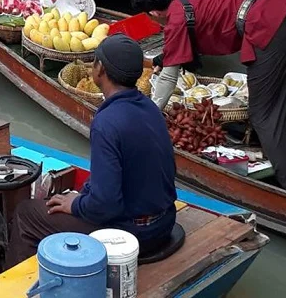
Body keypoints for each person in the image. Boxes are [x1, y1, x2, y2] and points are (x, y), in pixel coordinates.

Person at [9, 35, 176, 263]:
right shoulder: (150, 108)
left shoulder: (106, 122)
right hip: (164, 222)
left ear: (101, 71)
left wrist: (76, 204)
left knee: (27, 213)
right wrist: (83, 196)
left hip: (133, 235)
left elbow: (105, 204)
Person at [134, 0, 286, 190]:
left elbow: (169, 79)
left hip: (269, 23)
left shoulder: (176, 20)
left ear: (153, 13)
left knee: (263, 111)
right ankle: (285, 160)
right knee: (278, 95)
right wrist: (166, 57)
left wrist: (147, 116)